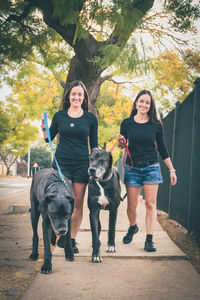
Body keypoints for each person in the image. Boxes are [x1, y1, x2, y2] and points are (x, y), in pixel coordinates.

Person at [41, 80, 98, 253]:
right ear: (68, 96)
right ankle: (55, 232)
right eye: (73, 94)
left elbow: (94, 145)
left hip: (82, 164)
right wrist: (44, 128)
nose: (76, 97)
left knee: (77, 204)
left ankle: (71, 240)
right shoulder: (59, 116)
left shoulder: (90, 118)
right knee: (59, 199)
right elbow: (48, 138)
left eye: (80, 94)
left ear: (84, 97)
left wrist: (98, 161)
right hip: (61, 164)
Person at [118, 90, 177, 252]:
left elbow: (163, 149)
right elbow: (122, 144)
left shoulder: (156, 125)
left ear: (151, 106)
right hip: (132, 168)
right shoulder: (127, 123)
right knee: (131, 205)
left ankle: (149, 239)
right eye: (141, 101)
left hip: (151, 167)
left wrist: (172, 170)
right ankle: (132, 227)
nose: (144, 105)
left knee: (151, 204)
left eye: (147, 103)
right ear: (136, 103)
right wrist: (121, 143)